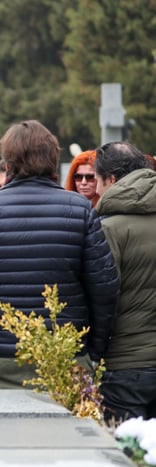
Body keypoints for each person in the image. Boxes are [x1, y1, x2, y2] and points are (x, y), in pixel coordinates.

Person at [0, 120, 119, 389]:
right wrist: (92, 351)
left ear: (8, 163)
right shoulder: (80, 211)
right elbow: (104, 289)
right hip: (64, 355)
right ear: (52, 158)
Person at [94, 141, 156, 422]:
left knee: (124, 453)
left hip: (126, 362)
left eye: (96, 180)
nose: (95, 190)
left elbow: (103, 297)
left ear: (113, 179)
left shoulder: (109, 228)